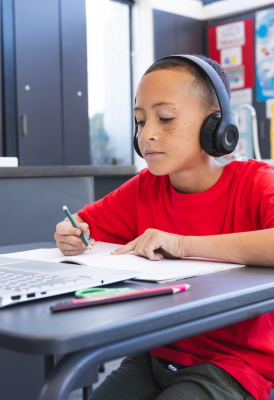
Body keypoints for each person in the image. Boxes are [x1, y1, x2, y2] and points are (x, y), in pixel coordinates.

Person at [54, 54, 274, 400]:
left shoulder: (255, 183)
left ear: (215, 125)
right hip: (158, 352)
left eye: (166, 118)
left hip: (233, 365)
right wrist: (72, 233)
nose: (148, 134)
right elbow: (85, 226)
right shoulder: (144, 188)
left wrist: (183, 244)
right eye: (140, 122)